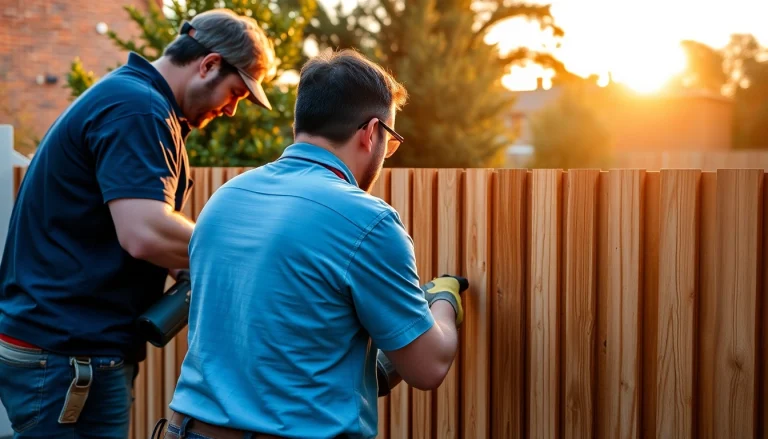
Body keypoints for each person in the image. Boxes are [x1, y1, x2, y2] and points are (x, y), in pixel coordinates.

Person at [159, 49, 468, 439]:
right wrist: (443, 300)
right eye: (389, 141)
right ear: (371, 132)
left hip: (188, 429)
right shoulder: (367, 222)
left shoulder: (225, 199)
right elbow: (428, 367)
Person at [0, 8, 276, 438]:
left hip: (67, 349)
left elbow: (127, 226)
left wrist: (184, 263)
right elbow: (144, 232)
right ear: (209, 65)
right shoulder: (139, 110)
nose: (232, 111)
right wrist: (244, 255)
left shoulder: (135, 102)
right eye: (236, 93)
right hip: (65, 355)